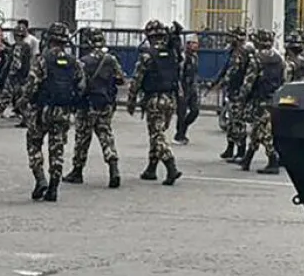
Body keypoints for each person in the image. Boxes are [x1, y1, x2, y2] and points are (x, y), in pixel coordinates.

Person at [21, 23, 83, 202]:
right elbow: (80, 86)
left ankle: (41, 179)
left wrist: (23, 101)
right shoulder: (74, 62)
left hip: (42, 110)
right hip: (63, 111)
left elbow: (32, 84)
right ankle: (54, 187)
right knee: (57, 149)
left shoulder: (42, 59)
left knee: (34, 143)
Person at [64, 28, 125, 189]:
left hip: (87, 104)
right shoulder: (110, 59)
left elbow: (77, 83)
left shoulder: (83, 61)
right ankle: (113, 167)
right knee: (106, 134)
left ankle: (77, 171)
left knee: (82, 138)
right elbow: (121, 79)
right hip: (105, 103)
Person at [127, 19, 183, 186]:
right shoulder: (172, 53)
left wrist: (131, 101)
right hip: (170, 99)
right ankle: (151, 169)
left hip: (154, 100)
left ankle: (170, 165)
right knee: (157, 132)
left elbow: (137, 80)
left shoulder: (147, 55)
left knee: (156, 134)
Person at [235, 27, 284, 174]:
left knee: (264, 131)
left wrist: (241, 100)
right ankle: (247, 159)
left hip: (260, 99)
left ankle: (273, 160)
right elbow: (284, 79)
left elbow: (248, 82)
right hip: (274, 98)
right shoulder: (278, 58)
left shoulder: (256, 59)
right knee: (258, 129)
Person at [0, 19, 34, 127]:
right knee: (19, 99)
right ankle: (26, 119)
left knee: (7, 97)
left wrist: (11, 75)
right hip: (23, 77)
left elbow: (17, 63)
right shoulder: (25, 46)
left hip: (16, 77)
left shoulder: (18, 46)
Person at [216, 26, 250, 163]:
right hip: (232, 91)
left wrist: (222, 82)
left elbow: (233, 72)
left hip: (238, 91)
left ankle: (241, 152)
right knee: (231, 122)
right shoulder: (233, 51)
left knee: (238, 122)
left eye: (231, 36)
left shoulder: (241, 52)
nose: (228, 39)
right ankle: (230, 148)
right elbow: (225, 68)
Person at [174, 34, 201, 146]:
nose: (196, 45)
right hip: (183, 87)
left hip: (192, 87)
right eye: (193, 43)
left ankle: (183, 127)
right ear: (188, 44)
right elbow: (178, 74)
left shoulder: (195, 57)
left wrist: (196, 87)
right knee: (181, 112)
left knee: (195, 111)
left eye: (196, 43)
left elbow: (195, 74)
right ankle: (180, 135)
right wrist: (179, 89)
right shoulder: (183, 57)